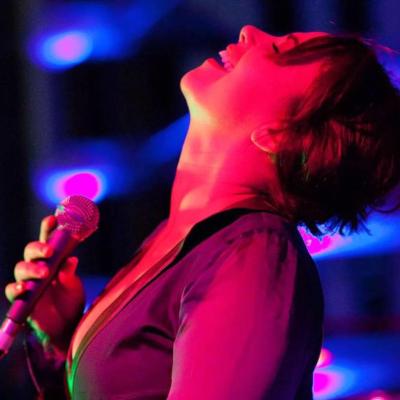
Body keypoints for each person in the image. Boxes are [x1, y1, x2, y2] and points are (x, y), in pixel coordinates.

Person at [5, 25, 400, 399]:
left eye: (280, 50)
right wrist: (63, 340)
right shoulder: (190, 240)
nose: (250, 32)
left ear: (280, 135)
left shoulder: (253, 255)